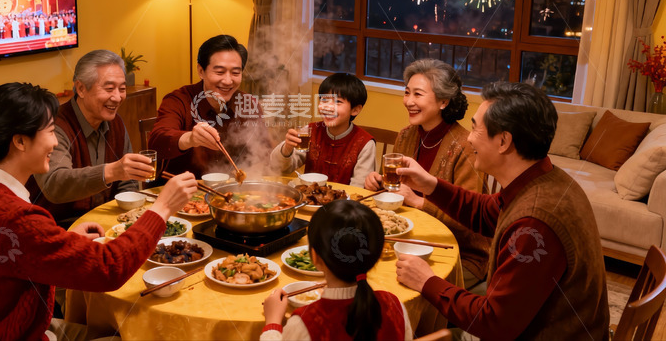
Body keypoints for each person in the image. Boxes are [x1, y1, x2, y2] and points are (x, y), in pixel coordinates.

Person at [0, 82, 197, 341]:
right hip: (9, 334)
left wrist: (60, 240)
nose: (56, 143)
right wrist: (161, 208)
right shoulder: (15, 217)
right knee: (131, 335)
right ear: (21, 141)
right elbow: (109, 268)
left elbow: (19, 253)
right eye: (50, 132)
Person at [393, 82, 609, 340]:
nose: (469, 137)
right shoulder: (545, 178)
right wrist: (431, 185)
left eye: (474, 128)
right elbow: (486, 212)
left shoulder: (535, 222)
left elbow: (493, 324)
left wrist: (426, 281)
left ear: (504, 141)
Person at [365, 59, 489, 290]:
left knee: (392, 286)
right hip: (409, 241)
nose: (409, 102)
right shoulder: (406, 135)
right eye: (406, 93)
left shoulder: (466, 147)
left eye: (418, 95)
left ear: (444, 101)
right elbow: (397, 189)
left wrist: (419, 202)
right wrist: (379, 184)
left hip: (460, 253)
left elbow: (471, 219)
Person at [28, 49, 153, 223]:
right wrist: (111, 171)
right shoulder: (54, 126)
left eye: (122, 89)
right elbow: (54, 184)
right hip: (57, 226)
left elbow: (127, 183)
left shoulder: (115, 122)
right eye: (109, 88)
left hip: (106, 222)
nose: (117, 97)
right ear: (81, 88)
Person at [261, 199, 412, 340]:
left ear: (315, 256)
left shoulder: (304, 323)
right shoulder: (395, 306)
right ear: (377, 254)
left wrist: (272, 323)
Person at [149, 34, 270, 177]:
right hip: (183, 192)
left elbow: (264, 151)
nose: (227, 81)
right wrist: (190, 139)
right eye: (219, 72)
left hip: (232, 192)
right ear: (201, 71)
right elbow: (157, 142)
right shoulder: (179, 100)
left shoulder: (248, 104)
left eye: (235, 73)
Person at [269, 73, 375, 187]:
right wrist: (287, 148)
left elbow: (358, 189)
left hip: (344, 204)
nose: (328, 107)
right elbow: (280, 168)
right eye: (324, 100)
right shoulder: (310, 131)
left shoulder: (365, 144)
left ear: (355, 110)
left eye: (338, 102)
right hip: (308, 200)